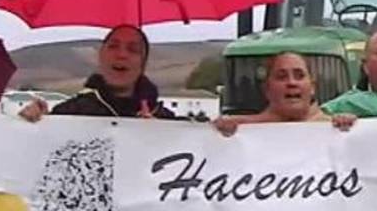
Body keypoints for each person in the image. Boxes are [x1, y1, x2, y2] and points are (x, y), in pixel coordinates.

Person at [20, 25, 177, 120]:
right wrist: (34, 125)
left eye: (133, 49)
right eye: (113, 46)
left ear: (143, 63)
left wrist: (157, 138)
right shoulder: (69, 113)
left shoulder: (166, 121)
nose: (121, 55)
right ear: (100, 56)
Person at [212, 52, 356, 136]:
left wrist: (354, 129)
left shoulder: (335, 127)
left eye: (299, 76)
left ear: (312, 87)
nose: (291, 83)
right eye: (281, 77)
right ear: (267, 89)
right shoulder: (240, 129)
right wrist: (218, 136)